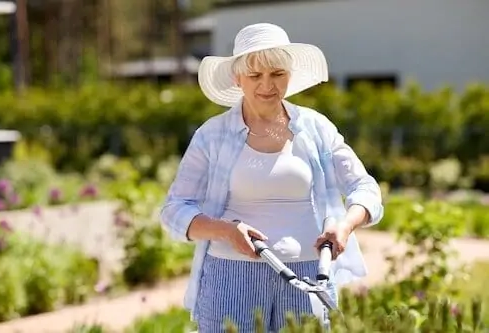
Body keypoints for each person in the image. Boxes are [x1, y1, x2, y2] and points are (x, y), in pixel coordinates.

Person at [160, 22, 384, 332]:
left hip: (308, 276)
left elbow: (365, 188)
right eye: (255, 75)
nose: (268, 85)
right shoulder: (211, 136)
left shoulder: (315, 129)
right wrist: (226, 231)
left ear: (289, 76)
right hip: (232, 277)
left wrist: (344, 226)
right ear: (238, 78)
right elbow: (174, 209)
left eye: (277, 74)